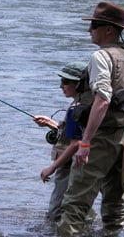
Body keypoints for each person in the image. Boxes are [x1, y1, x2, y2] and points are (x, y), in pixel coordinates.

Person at [57, 2, 124, 236]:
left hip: (99, 140)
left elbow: (103, 99)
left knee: (75, 204)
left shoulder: (101, 56)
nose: (90, 31)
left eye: (94, 26)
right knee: (116, 208)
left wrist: (85, 143)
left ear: (109, 29)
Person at [34, 61, 90, 221]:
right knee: (79, 208)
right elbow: (78, 134)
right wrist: (51, 124)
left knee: (55, 213)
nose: (61, 86)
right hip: (83, 168)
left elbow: (76, 144)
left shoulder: (76, 109)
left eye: (65, 82)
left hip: (69, 167)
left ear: (79, 84)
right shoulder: (88, 104)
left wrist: (51, 168)